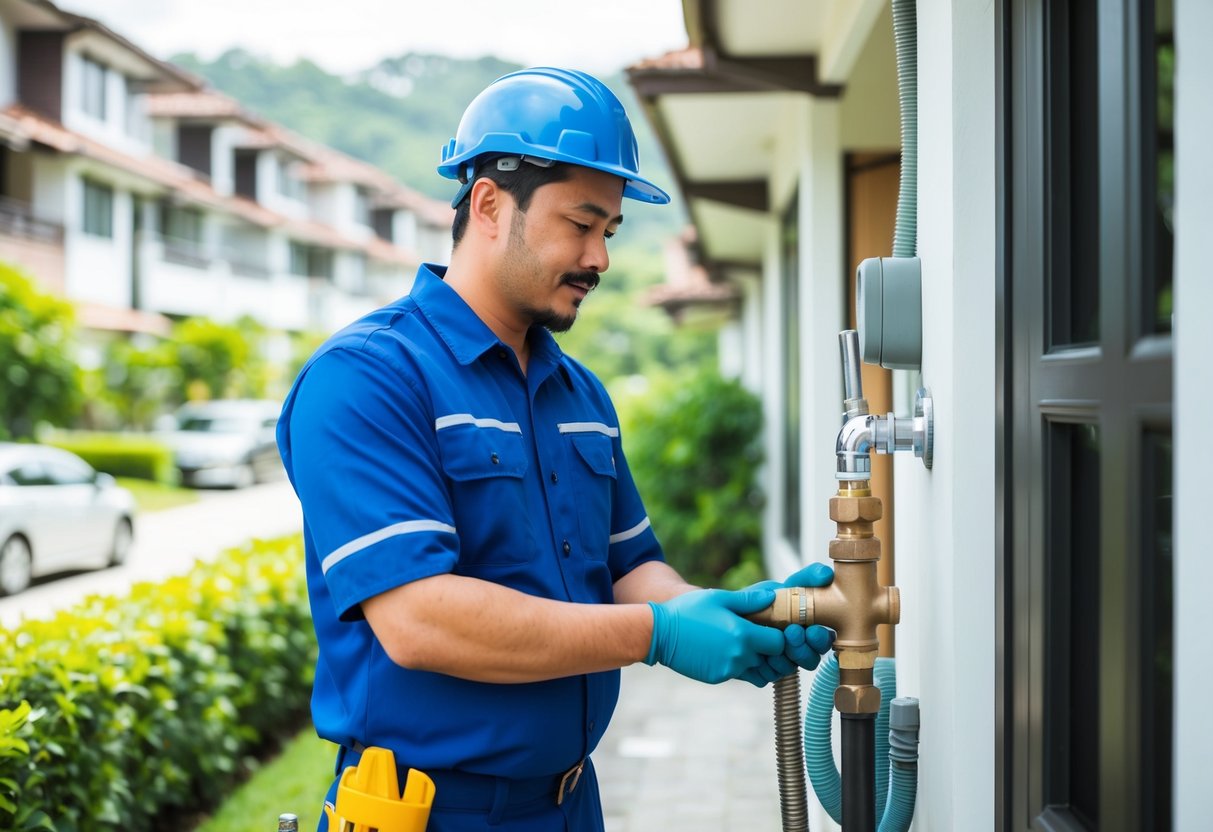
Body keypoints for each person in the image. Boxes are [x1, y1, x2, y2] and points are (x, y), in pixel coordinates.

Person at [276, 67, 835, 832]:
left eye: (608, 231)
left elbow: (629, 568)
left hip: (572, 803)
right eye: (580, 223)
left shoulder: (579, 395)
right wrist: (660, 636)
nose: (599, 258)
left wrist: (731, 612)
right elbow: (418, 618)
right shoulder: (368, 378)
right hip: (429, 812)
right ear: (488, 204)